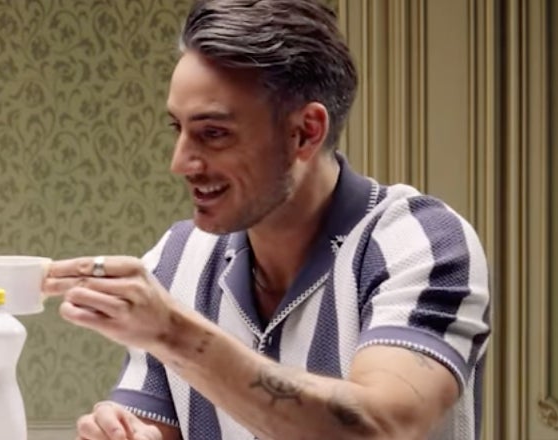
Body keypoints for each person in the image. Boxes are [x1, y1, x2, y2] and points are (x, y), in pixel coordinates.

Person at [43, 1, 491, 439]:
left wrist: (173, 333)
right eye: (176, 129)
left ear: (305, 133)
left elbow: (380, 427)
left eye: (213, 133)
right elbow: (154, 429)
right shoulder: (175, 260)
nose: (180, 163)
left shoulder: (419, 242)